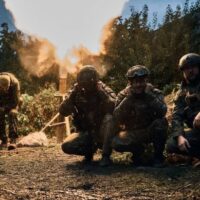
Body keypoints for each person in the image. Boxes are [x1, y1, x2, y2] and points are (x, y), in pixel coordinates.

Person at [59, 65, 116, 166]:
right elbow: (63, 111)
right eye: (84, 82)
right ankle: (88, 153)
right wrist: (72, 96)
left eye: (89, 82)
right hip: (87, 133)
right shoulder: (76, 91)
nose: (86, 86)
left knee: (109, 119)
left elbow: (114, 106)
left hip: (102, 132)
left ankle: (106, 156)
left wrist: (101, 93)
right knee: (67, 146)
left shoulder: (101, 88)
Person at [112, 65, 168, 166]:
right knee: (116, 142)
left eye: (141, 81)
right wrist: (128, 99)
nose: (138, 85)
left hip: (149, 131)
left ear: (146, 81)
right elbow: (116, 117)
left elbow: (163, 111)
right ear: (130, 83)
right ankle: (138, 153)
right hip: (132, 132)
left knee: (161, 123)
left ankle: (158, 157)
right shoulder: (123, 95)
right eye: (135, 82)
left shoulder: (154, 93)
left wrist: (149, 96)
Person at [166, 53, 200, 160]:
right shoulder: (181, 93)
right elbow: (177, 117)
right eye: (186, 68)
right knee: (172, 144)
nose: (190, 71)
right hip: (198, 132)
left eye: (193, 67)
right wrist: (179, 136)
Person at [0, 72, 20, 147]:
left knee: (13, 113)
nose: (5, 90)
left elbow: (15, 102)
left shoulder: (15, 83)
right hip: (1, 105)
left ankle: (13, 140)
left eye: (6, 88)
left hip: (12, 105)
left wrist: (5, 107)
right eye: (2, 88)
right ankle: (3, 139)